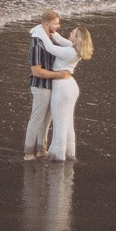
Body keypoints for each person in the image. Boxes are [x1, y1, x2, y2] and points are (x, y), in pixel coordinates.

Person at [25, 9, 80, 162]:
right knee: (37, 118)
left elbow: (58, 44)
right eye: (56, 23)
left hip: (54, 87)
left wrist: (46, 31)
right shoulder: (37, 43)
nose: (59, 26)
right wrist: (59, 75)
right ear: (47, 23)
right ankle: (28, 152)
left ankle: (42, 150)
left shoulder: (52, 40)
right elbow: (36, 71)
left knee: (46, 120)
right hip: (42, 86)